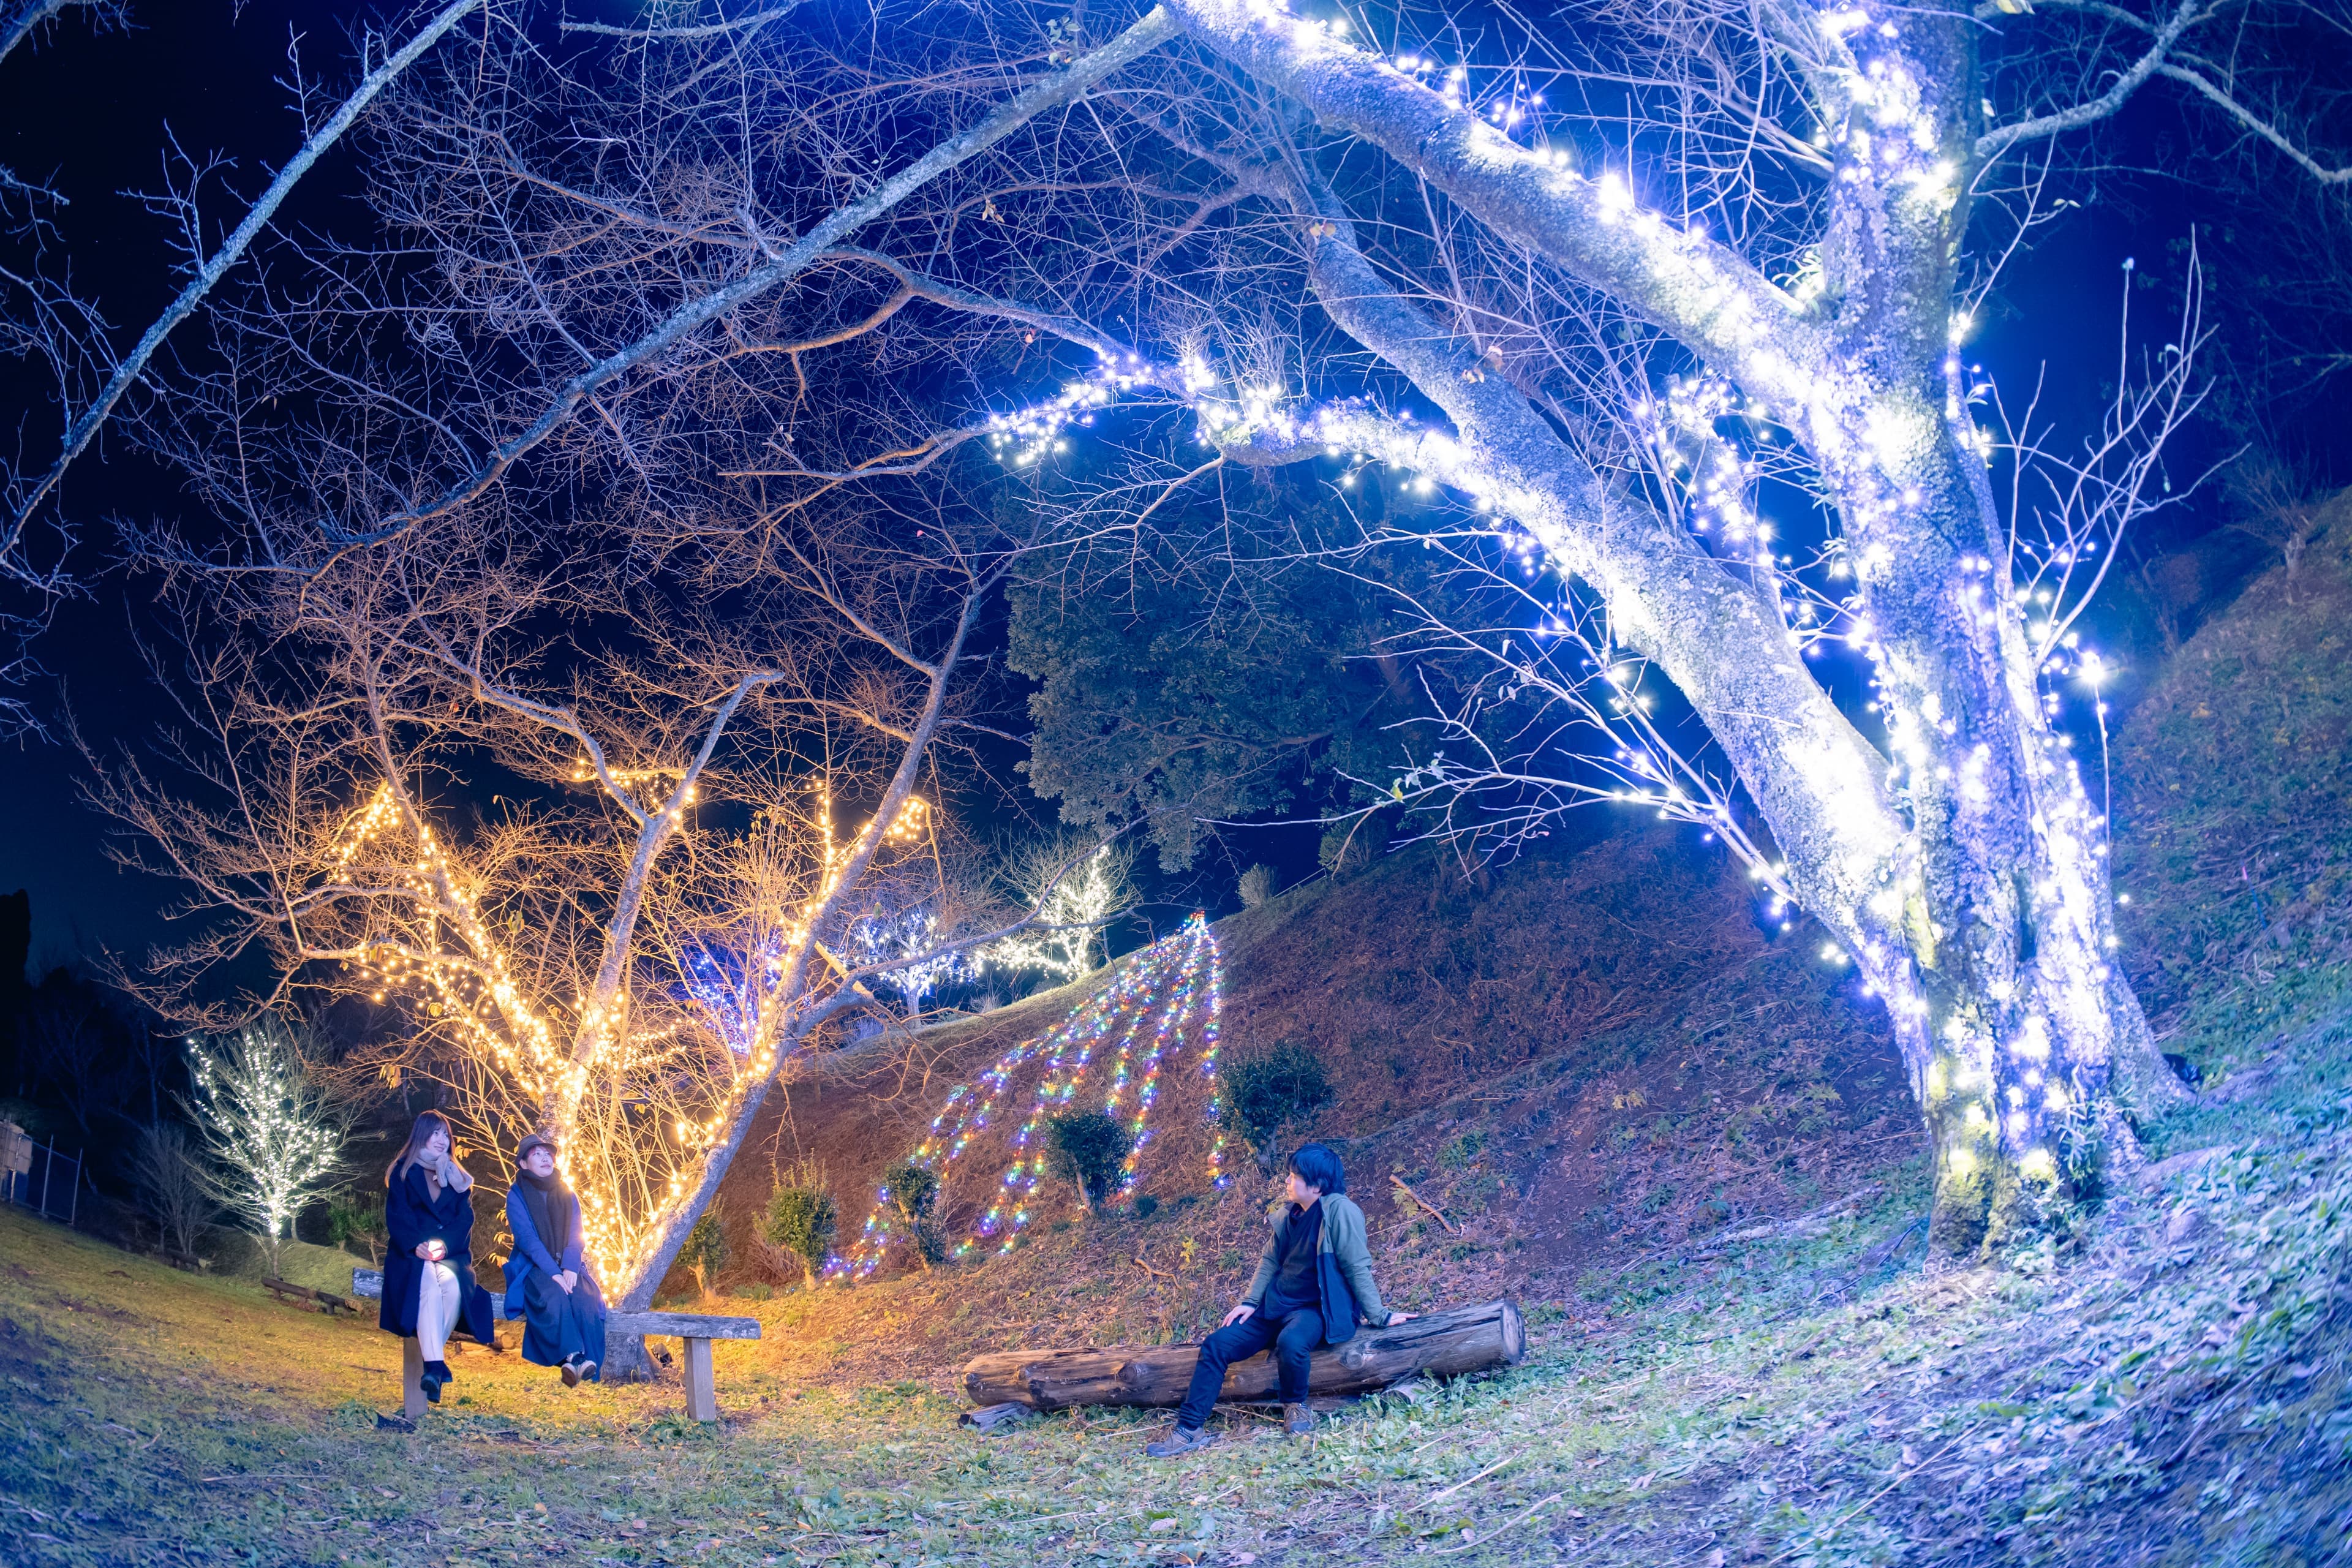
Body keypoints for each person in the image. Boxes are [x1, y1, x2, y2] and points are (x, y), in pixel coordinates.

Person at [1147, 1142, 1415, 1457]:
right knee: (1216, 1345)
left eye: (1294, 1176)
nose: (1287, 1182)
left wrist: (1379, 1315)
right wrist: (1249, 1302)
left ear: (1316, 1185)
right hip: (1274, 1306)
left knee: (1291, 1342)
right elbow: (1269, 1262)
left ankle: (1296, 1406)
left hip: (1315, 1309)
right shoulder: (1290, 1214)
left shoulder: (1340, 1211)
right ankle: (1189, 1430)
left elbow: (1357, 1266)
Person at [380, 1111, 499, 1403]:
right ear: (421, 1136)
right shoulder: (402, 1172)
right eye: (435, 1134)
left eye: (445, 1135)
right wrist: (416, 1245)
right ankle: (435, 1365)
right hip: (411, 1256)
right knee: (428, 1286)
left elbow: (464, 1221)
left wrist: (444, 1247)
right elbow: (398, 1216)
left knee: (452, 1286)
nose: (441, 1140)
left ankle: (433, 1366)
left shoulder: (458, 1179)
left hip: (449, 1255)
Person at [502, 1131, 607, 1386]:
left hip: (566, 1264)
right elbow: (528, 1241)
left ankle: (581, 1363)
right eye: (536, 1154)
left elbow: (577, 1233)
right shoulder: (516, 1195)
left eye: (547, 1153)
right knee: (553, 1296)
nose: (545, 1157)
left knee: (585, 1298)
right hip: (534, 1267)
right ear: (524, 1164)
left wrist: (570, 1267)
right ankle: (575, 1358)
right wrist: (555, 1273)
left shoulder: (567, 1193)